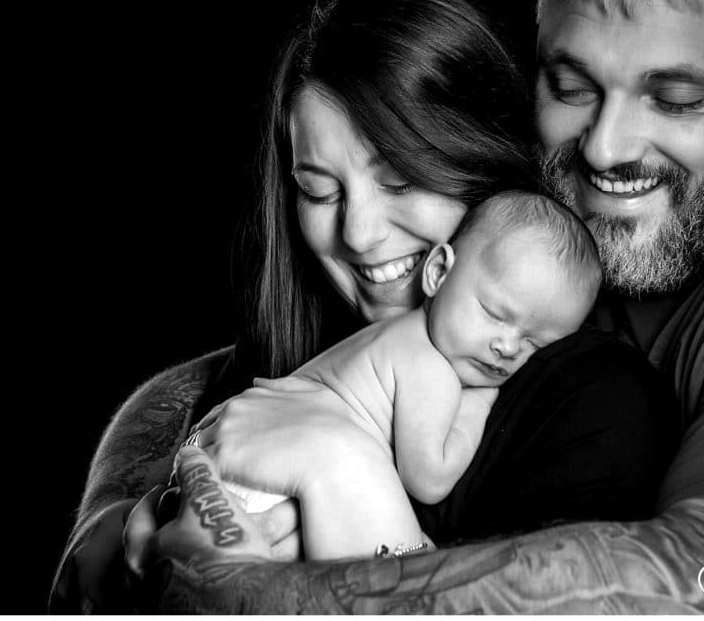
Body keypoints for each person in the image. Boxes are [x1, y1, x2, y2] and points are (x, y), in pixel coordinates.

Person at [108, 0, 704, 613]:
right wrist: (114, 509)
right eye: (570, 85)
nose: (604, 147)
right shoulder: (528, 227)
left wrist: (219, 573)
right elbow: (220, 386)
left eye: (677, 99)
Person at [50, 0, 677, 613]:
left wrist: (335, 463)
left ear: (485, 163)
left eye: (401, 181)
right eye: (320, 191)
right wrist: (132, 536)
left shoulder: (593, 403)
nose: (358, 233)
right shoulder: (275, 369)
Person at [184, 190, 613, 560]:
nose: (508, 346)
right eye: (494, 314)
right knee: (402, 565)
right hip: (271, 473)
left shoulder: (390, 337)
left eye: (536, 342)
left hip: (227, 458)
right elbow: (427, 478)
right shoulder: (430, 368)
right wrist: (479, 403)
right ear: (438, 272)